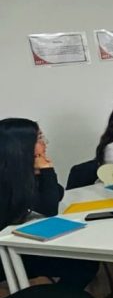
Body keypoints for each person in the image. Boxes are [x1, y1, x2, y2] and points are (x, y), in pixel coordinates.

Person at [0, 118, 98, 288]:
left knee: (86, 262)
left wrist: (42, 173)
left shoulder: (19, 172)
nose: (45, 144)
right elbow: (50, 207)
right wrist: (47, 170)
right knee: (82, 265)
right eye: (39, 139)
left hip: (15, 244)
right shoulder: (6, 180)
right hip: (6, 254)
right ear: (21, 146)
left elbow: (56, 193)